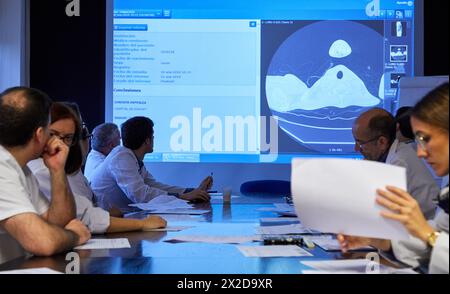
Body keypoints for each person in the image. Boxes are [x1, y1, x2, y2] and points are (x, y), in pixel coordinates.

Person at [339, 83, 449, 274]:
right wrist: (378, 241)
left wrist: (427, 233)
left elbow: (433, 237)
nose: (421, 153)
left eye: (425, 139)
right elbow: (437, 235)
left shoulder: (400, 162)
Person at [29, 103, 167, 234]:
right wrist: (142, 224)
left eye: (68, 138)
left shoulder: (67, 170)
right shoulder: (42, 171)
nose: (60, 144)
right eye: (54, 135)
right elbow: (87, 217)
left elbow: (89, 209)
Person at [0, 87, 90, 265]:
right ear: (41, 135)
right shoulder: (2, 166)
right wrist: (75, 236)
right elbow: (43, 242)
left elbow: (57, 222)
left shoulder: (20, 168)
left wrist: (57, 170)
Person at [90, 117, 213, 213]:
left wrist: (191, 191)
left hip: (119, 217)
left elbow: (154, 185)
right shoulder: (121, 157)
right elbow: (140, 195)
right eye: (153, 136)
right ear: (147, 141)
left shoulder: (131, 157)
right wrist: (183, 196)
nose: (154, 140)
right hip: (106, 223)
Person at [353, 108, 438, 218]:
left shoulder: (398, 163)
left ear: (382, 142)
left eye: (360, 143)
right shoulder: (394, 153)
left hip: (423, 225)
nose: (356, 148)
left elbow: (379, 209)